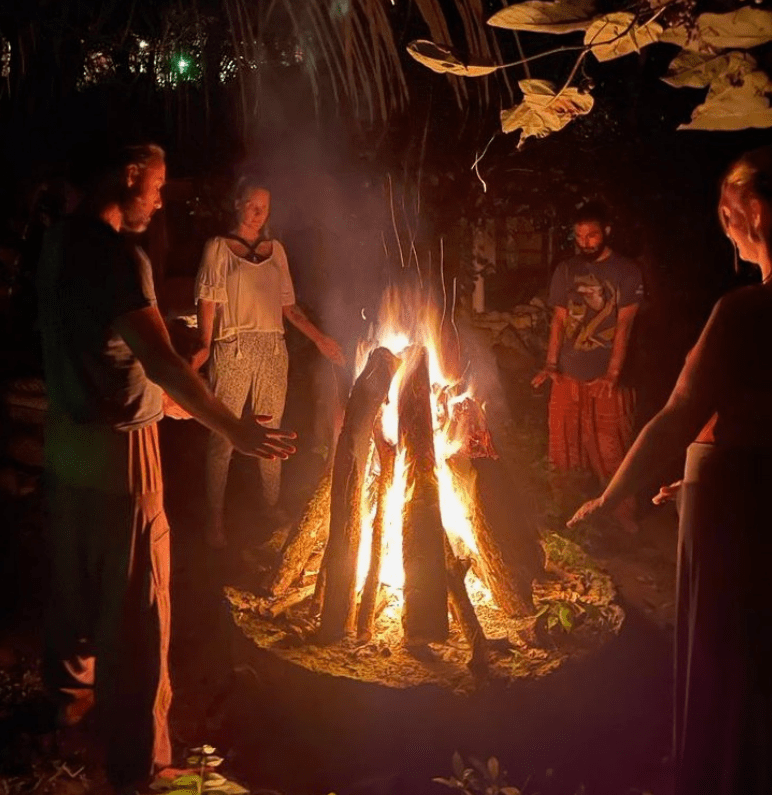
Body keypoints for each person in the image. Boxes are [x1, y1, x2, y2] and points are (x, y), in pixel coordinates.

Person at [36, 143, 296, 794]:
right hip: (120, 456)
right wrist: (232, 425)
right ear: (126, 177)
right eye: (154, 186)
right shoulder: (121, 256)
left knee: (75, 591)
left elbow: (111, 358)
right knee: (136, 611)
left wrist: (175, 407)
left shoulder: (58, 242)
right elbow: (159, 360)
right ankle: (143, 765)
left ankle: (68, 714)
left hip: (65, 445)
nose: (158, 199)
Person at [569, 145, 772, 795]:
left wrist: (611, 496)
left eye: (727, 212)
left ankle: (718, 773)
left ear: (758, 213)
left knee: (722, 650)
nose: (723, 224)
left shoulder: (745, 311)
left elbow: (677, 414)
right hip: (746, 489)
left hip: (736, 506)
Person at [192, 177, 344, 548]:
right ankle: (215, 523)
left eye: (266, 208)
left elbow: (288, 308)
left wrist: (321, 340)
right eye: (254, 205)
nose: (260, 213)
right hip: (234, 346)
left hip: (273, 349)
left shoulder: (276, 251)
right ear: (238, 204)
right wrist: (204, 345)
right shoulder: (219, 249)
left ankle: (270, 506)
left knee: (271, 431)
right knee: (224, 433)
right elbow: (208, 300)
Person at [531, 201, 643, 533]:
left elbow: (624, 327)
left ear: (607, 231)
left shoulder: (626, 272)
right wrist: (551, 365)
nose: (585, 242)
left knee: (612, 450)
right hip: (567, 375)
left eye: (592, 235)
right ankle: (568, 519)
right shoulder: (566, 270)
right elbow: (559, 321)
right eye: (580, 236)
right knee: (563, 449)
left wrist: (612, 373)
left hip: (607, 379)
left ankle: (623, 520)